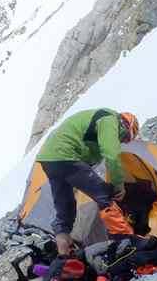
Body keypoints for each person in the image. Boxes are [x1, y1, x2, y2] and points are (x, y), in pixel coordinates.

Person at [35, 108, 141, 256]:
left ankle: (63, 258)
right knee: (104, 195)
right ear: (125, 126)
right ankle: (127, 241)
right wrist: (118, 184)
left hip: (49, 160)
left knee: (66, 212)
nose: (122, 142)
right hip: (65, 154)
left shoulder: (97, 122)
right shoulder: (110, 119)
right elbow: (111, 154)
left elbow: (88, 159)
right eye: (125, 139)